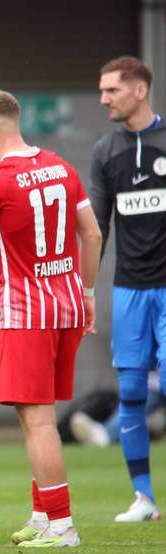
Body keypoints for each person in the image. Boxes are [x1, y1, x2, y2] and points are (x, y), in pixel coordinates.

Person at [0, 89, 102, 547]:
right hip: (68, 304)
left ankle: (61, 525)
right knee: (39, 416)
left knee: (37, 421)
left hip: (27, 313)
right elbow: (90, 234)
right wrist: (88, 292)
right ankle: (41, 515)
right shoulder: (60, 166)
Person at [91, 56, 165, 522]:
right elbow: (97, 226)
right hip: (129, 290)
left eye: (111, 90)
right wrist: (84, 288)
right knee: (132, 391)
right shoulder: (105, 152)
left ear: (139, 90)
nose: (103, 99)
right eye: (101, 91)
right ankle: (144, 498)